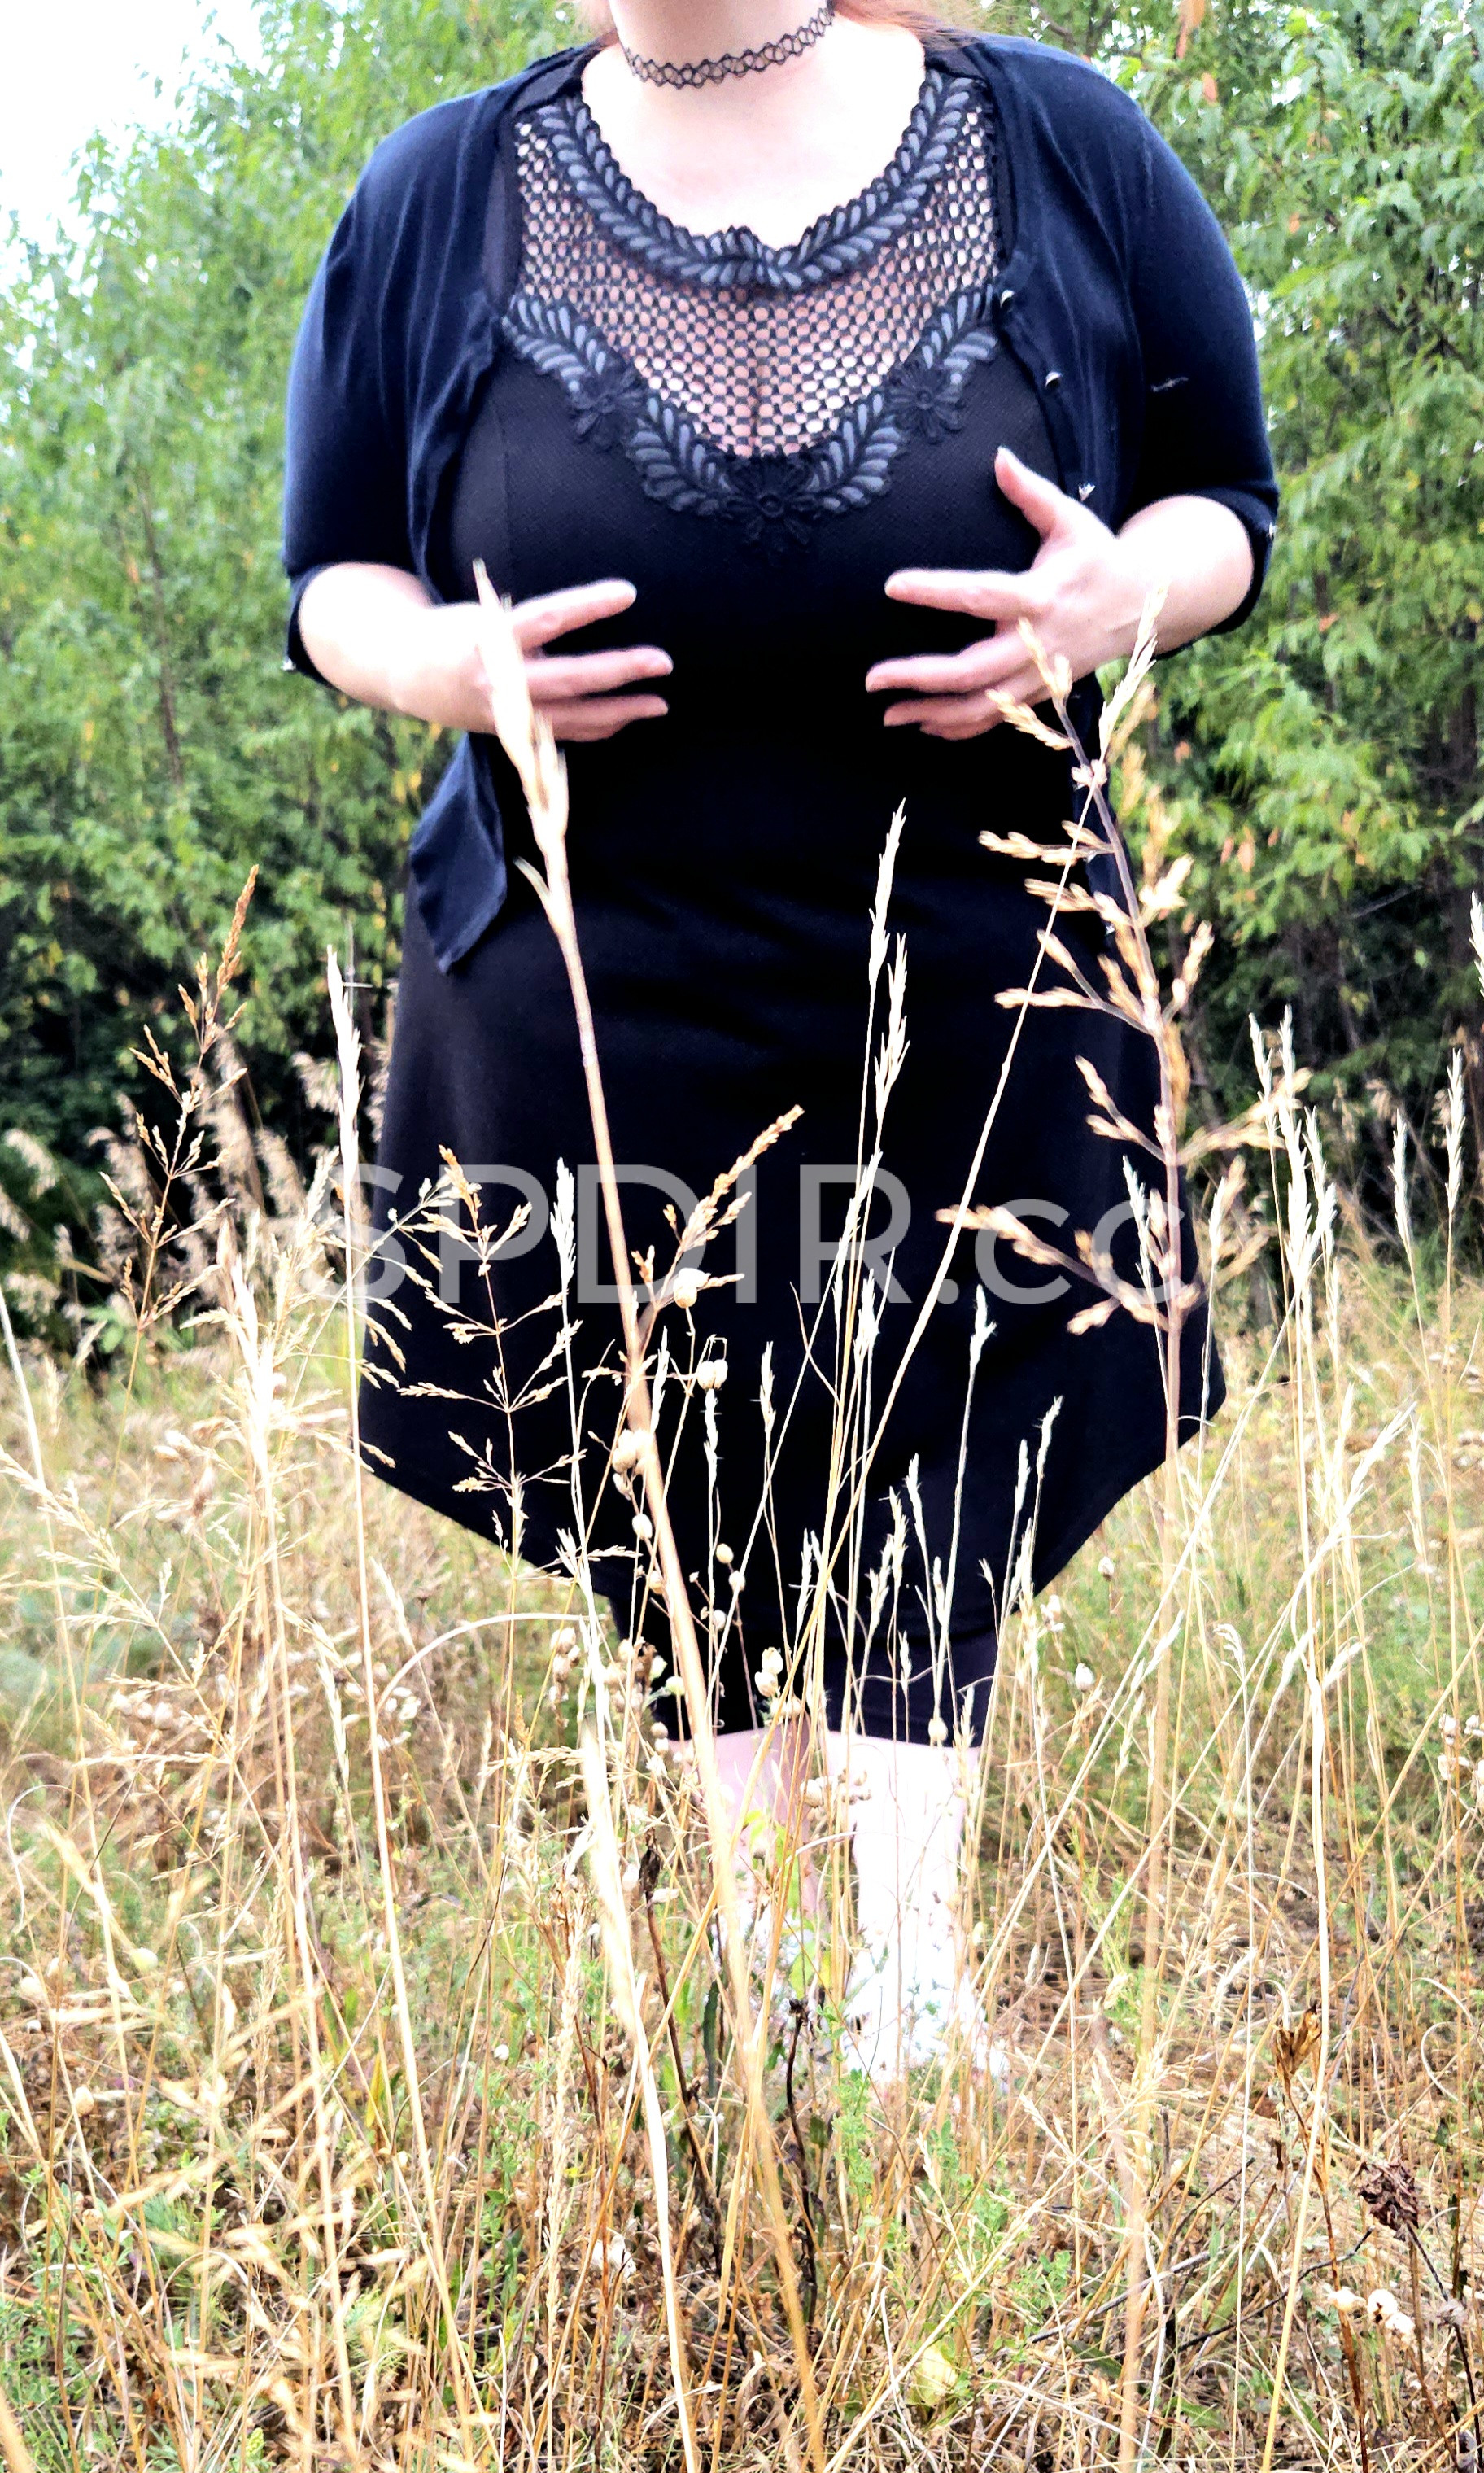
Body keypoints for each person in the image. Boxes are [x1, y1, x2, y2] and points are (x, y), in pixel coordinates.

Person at [282, 0, 1277, 2077]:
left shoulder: (1061, 145)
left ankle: (905, 1996)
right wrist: (443, 663)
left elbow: (1228, 502)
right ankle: (781, 1988)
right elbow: (329, 571)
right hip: (591, 992)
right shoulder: (437, 188)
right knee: (683, 1483)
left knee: (956, 1450)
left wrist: (1124, 599)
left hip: (986, 973)